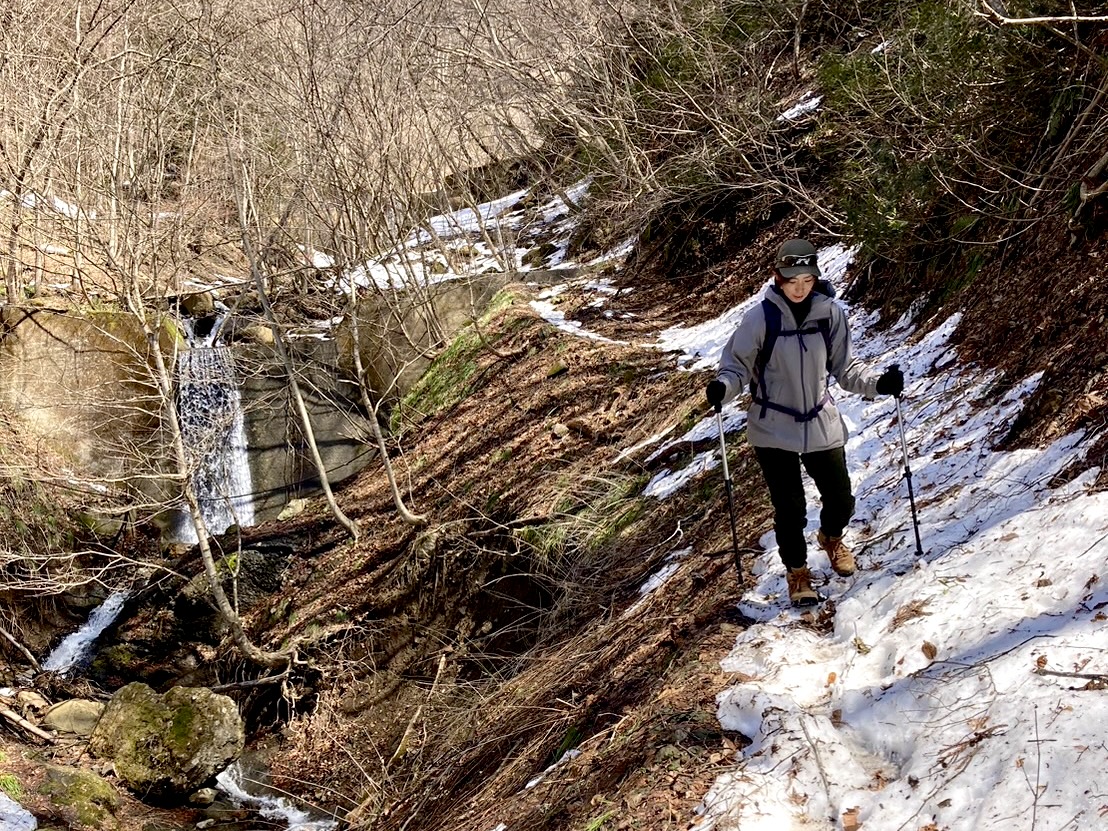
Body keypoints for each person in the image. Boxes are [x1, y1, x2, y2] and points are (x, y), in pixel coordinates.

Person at [705, 238, 903, 606]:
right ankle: (797, 572)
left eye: (807, 279)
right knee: (790, 507)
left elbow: (846, 369)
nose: (799, 286)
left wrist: (879, 384)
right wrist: (722, 387)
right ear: (778, 277)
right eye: (792, 278)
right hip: (772, 426)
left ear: (815, 277)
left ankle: (830, 537)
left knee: (841, 499)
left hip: (820, 420)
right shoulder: (760, 318)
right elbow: (736, 367)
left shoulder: (830, 315)